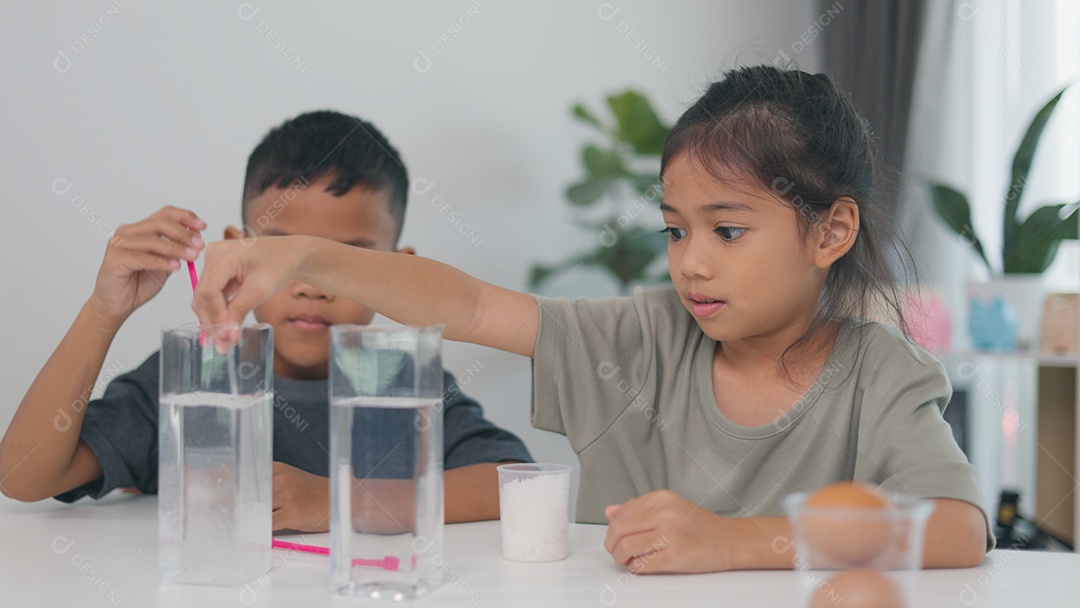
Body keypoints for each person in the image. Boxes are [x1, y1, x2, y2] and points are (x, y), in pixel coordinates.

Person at [189, 67, 991, 573]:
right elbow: (467, 304)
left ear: (831, 231)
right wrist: (303, 257)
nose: (692, 262)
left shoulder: (880, 374)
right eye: (675, 229)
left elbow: (958, 530)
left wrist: (735, 542)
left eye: (728, 230)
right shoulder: (639, 338)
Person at [0, 111, 532, 532]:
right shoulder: (191, 380)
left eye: (345, 258)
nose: (311, 284)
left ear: (394, 272)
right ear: (236, 251)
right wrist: (102, 312)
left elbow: (519, 485)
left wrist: (339, 500)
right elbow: (22, 476)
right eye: (284, 253)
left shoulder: (403, 385)